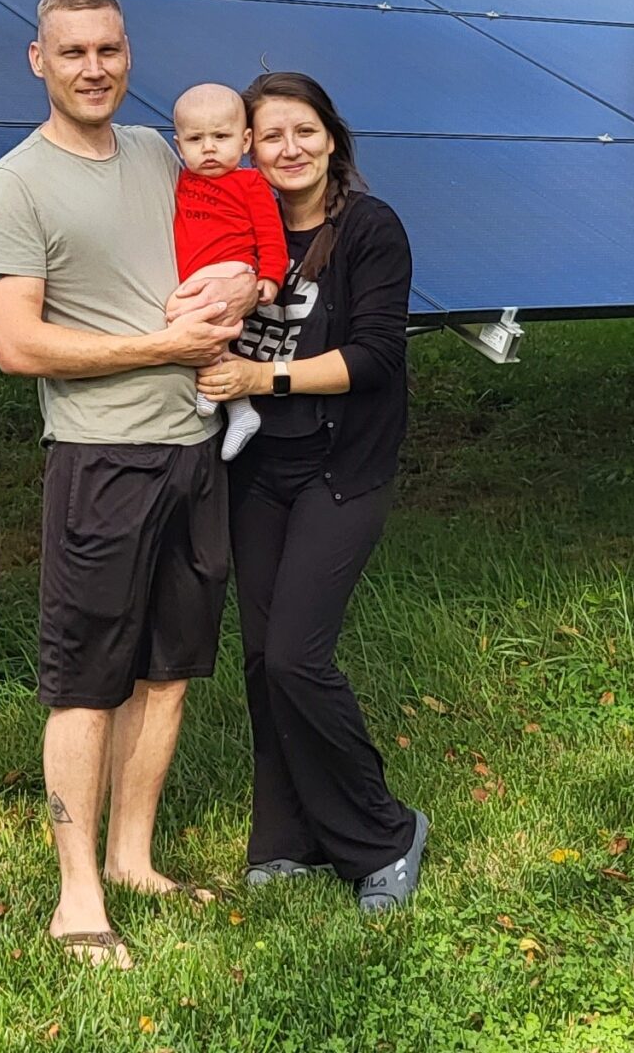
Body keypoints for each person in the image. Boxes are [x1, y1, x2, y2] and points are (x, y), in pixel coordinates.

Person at [0, 0, 260, 968]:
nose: (95, 68)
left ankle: (134, 858)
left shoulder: (157, 151)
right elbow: (16, 343)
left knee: (169, 670)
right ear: (38, 61)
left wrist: (244, 287)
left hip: (195, 448)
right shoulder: (16, 183)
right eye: (73, 52)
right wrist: (161, 343)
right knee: (86, 682)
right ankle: (78, 897)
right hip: (101, 458)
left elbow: (243, 225)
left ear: (127, 54)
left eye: (110, 49)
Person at [193, 71, 429, 913]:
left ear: (332, 138)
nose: (288, 150)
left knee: (298, 653)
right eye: (269, 136)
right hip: (254, 470)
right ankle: (286, 838)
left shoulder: (369, 229)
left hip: (341, 469)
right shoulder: (232, 232)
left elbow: (375, 358)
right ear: (247, 148)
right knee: (261, 661)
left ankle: (384, 834)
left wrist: (264, 374)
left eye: (304, 132)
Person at [170, 82, 288, 462]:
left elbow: (271, 232)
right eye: (195, 138)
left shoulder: (249, 183)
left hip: (231, 269)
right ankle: (239, 410)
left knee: (189, 320)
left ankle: (216, 391)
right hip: (195, 274)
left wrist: (269, 276)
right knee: (198, 326)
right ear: (178, 145)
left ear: (245, 140)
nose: (208, 148)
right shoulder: (182, 181)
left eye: (221, 136)